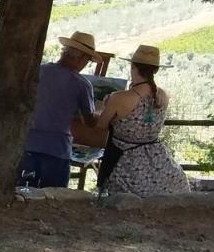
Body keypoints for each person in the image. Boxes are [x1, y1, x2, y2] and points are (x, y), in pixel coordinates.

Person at [95, 45, 190, 196]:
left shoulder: (120, 98)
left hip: (124, 162)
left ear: (132, 67)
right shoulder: (163, 95)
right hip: (158, 159)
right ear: (155, 70)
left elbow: (100, 126)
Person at [19, 31, 103, 188]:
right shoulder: (82, 84)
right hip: (57, 150)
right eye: (89, 60)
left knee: (23, 194)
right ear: (83, 58)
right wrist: (103, 113)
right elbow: (90, 123)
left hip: (27, 144)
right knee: (53, 199)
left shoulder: (38, 71)